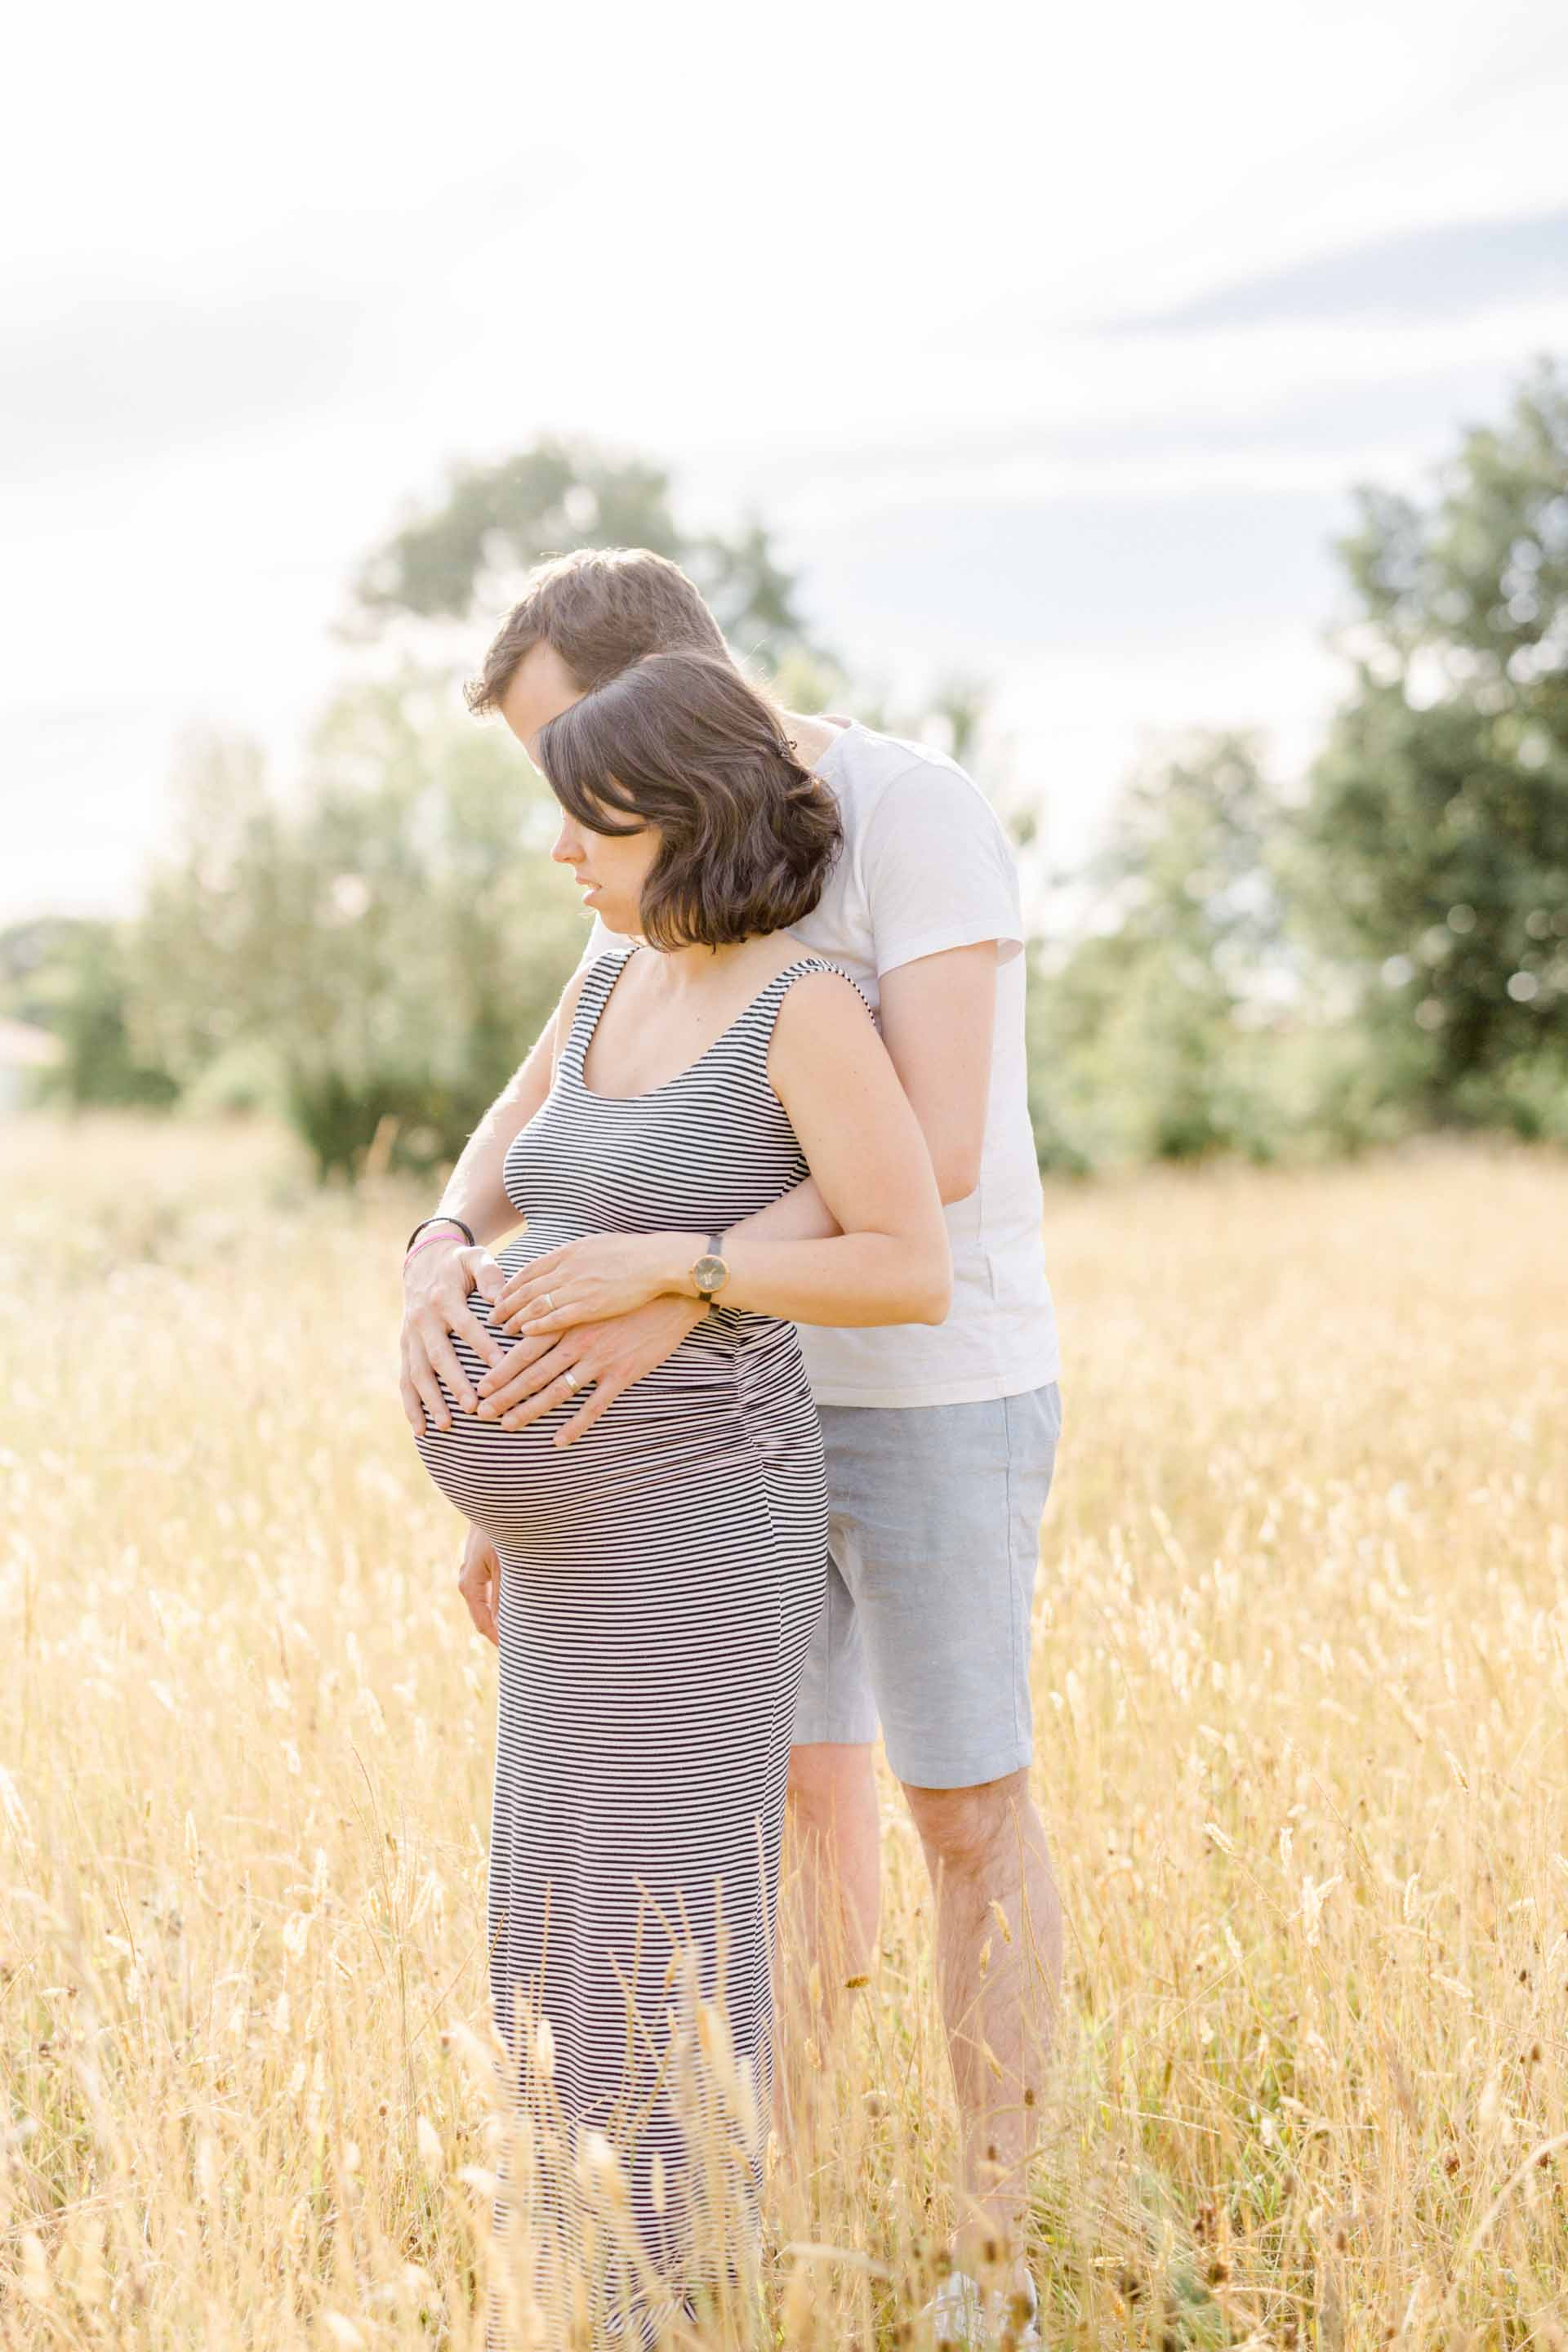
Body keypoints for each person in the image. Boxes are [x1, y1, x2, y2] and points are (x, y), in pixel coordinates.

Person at [400, 547, 1066, 2348]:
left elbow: (917, 1154)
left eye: (573, 768)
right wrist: (452, 1270)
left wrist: (681, 1293)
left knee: (961, 1813)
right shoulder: (647, 886)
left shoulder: (909, 815)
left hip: (926, 1389)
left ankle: (991, 2263)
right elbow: (549, 1104)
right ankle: (781, 2212)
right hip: (715, 1440)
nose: (560, 835)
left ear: (664, 715)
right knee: (788, 1815)